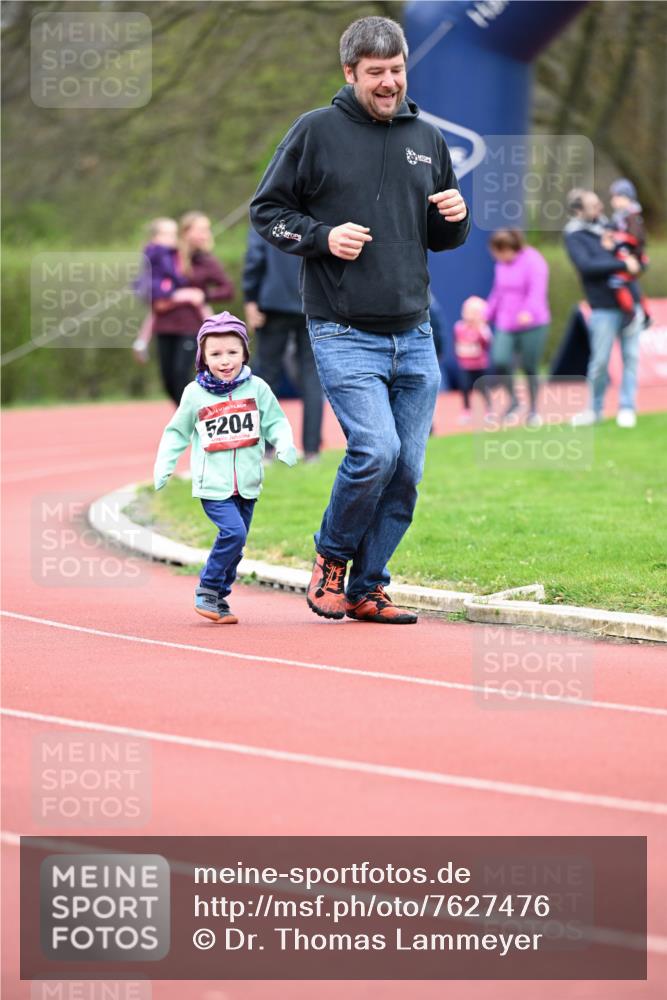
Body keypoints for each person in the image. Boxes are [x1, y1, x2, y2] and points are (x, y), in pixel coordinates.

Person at [250, 15, 469, 625]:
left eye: (397, 71)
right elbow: (267, 210)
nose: (389, 83)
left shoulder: (428, 136)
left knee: (407, 471)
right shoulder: (314, 132)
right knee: (375, 451)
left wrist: (455, 217)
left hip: (415, 332)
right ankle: (332, 558)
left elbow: (440, 234)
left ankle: (369, 587)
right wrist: (322, 237)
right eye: (376, 73)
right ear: (350, 73)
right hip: (344, 329)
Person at [153, 312, 297, 623]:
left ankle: (219, 598)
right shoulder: (195, 393)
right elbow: (177, 432)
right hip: (213, 485)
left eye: (232, 352)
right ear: (203, 358)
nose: (225, 360)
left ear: (245, 353)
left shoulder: (257, 388)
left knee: (239, 542)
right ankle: (207, 588)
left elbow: (275, 421)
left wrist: (284, 444)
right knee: (232, 533)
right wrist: (164, 465)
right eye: (215, 354)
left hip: (247, 483)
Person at [242, 228, 323, 461]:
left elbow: (255, 257)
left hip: (273, 302)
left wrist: (250, 298)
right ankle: (312, 450)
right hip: (311, 299)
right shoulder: (312, 208)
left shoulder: (270, 210)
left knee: (266, 375)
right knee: (311, 375)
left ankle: (266, 449)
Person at [564, 190, 642, 428]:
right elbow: (587, 266)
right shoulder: (574, 235)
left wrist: (630, 260)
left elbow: (637, 256)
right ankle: (594, 409)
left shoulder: (613, 227)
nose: (600, 208)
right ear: (578, 210)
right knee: (599, 362)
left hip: (630, 301)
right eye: (593, 205)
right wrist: (621, 264)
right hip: (602, 306)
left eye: (599, 203)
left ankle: (627, 407)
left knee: (631, 358)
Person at [151, 212, 235, 405]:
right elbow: (152, 284)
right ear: (186, 232)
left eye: (207, 229)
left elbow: (228, 290)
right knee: (168, 380)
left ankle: (195, 423)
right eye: (201, 229)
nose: (206, 234)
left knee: (182, 374)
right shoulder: (168, 257)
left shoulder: (207, 261)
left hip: (191, 326)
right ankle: (188, 419)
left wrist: (203, 295)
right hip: (165, 324)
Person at [485, 229, 550, 428]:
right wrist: (486, 315)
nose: (498, 257)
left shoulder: (534, 260)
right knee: (500, 359)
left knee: (529, 366)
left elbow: (537, 290)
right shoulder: (501, 265)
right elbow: (498, 292)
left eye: (500, 252)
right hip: (506, 322)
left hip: (533, 323)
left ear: (511, 248)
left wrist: (528, 311)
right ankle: (514, 401)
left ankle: (533, 410)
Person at [602, 178, 650, 328]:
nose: (613, 201)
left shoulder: (632, 216)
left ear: (626, 197)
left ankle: (630, 313)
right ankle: (646, 314)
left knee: (617, 281)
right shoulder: (622, 215)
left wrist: (616, 239)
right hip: (629, 257)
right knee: (631, 284)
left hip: (634, 257)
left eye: (616, 197)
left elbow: (637, 238)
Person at [453, 296, 492, 422]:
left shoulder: (483, 328)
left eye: (475, 312)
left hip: (480, 365)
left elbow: (488, 343)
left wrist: (481, 329)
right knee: (464, 387)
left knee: (483, 388)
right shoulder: (459, 327)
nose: (471, 315)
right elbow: (458, 344)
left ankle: (488, 410)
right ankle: (466, 410)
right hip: (465, 365)